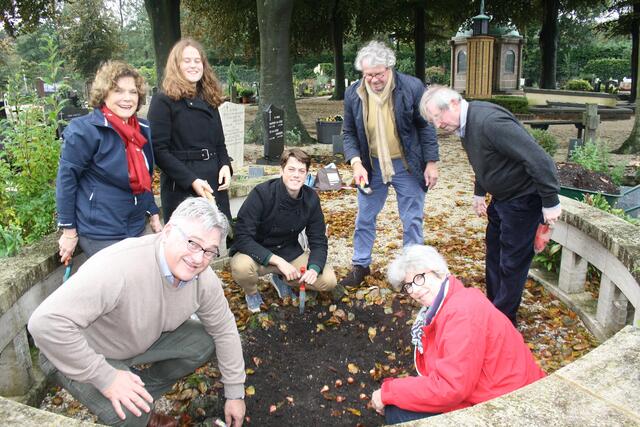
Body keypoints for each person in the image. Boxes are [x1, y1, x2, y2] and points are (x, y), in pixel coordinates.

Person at [28, 198, 246, 427]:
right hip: (76, 350)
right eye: (192, 242)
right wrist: (106, 377)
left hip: (134, 341)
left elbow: (224, 330)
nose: (198, 258)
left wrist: (235, 393)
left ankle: (142, 391)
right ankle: (138, 410)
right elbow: (43, 324)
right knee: (132, 413)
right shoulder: (119, 267)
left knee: (203, 342)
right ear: (168, 231)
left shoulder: (202, 278)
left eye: (209, 251)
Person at [420, 85, 562, 325]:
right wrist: (479, 192)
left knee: (512, 263)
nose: (438, 125)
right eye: (433, 120)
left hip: (522, 200)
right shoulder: (464, 125)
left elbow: (538, 158)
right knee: (494, 256)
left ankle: (504, 322)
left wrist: (550, 202)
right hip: (501, 200)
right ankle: (495, 309)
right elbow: (484, 161)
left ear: (454, 103)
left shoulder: (489, 122)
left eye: (438, 117)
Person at [370, 245, 546, 425]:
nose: (414, 290)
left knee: (398, 413)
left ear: (439, 272)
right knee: (402, 403)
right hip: (497, 392)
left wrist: (389, 392)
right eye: (408, 285)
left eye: (419, 278)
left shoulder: (460, 313)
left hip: (510, 405)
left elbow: (451, 388)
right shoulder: (450, 303)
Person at [340, 40, 439, 287]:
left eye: (379, 74)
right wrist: (355, 163)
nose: (373, 80)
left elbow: (425, 126)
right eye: (368, 75)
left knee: (412, 219)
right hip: (371, 166)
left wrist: (431, 162)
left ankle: (413, 272)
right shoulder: (354, 93)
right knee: (364, 217)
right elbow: (349, 132)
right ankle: (361, 265)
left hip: (407, 164)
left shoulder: (412, 87)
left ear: (390, 68)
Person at [56, 61, 161, 262]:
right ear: (104, 94)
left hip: (136, 225)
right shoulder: (85, 130)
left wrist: (153, 213)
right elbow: (66, 181)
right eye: (118, 91)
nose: (127, 98)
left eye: (133, 92)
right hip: (101, 231)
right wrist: (69, 232)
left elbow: (145, 177)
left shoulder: (143, 128)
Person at [230, 148, 337, 313]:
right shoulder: (261, 194)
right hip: (256, 252)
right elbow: (242, 237)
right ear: (281, 170)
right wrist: (278, 262)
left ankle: (282, 280)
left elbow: (318, 239)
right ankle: (251, 293)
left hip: (288, 251)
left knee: (328, 281)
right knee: (242, 268)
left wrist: (314, 268)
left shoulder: (311, 199)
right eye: (291, 169)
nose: (296, 175)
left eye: (301, 171)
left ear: (307, 174)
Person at [148, 38, 233, 223]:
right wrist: (192, 180)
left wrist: (225, 165)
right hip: (182, 184)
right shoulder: (163, 101)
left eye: (197, 61)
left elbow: (219, 142)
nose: (193, 65)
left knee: (215, 239)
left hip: (213, 179)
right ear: (176, 65)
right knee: (189, 243)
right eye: (187, 61)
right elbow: (159, 151)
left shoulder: (209, 99)